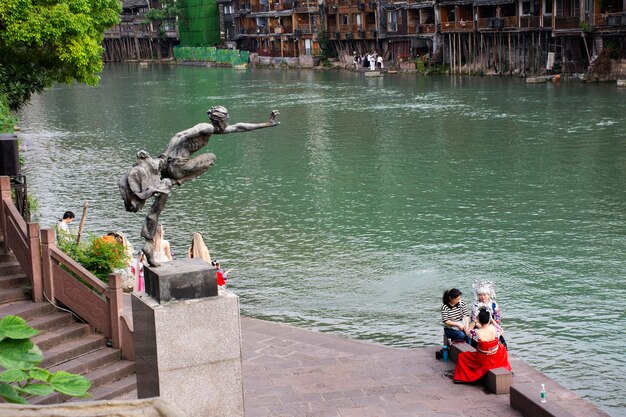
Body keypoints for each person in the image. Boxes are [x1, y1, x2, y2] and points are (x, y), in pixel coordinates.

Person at [119, 107, 279, 267]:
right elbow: (179, 135)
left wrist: (265, 124)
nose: (228, 122)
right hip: (176, 166)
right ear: (220, 119)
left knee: (158, 207)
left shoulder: (214, 129)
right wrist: (164, 155)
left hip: (170, 167)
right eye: (226, 119)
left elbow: (239, 127)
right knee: (211, 158)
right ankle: (175, 181)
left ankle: (148, 243)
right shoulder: (206, 127)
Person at [453, 308, 511, 383]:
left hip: (482, 360)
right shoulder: (494, 329)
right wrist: (492, 321)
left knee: (462, 356)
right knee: (502, 348)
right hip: (495, 358)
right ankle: (508, 369)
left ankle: (462, 378)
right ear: (489, 319)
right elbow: (501, 330)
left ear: (479, 320)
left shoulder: (476, 332)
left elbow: (467, 332)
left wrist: (474, 322)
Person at [470, 281, 507, 349]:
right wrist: (480, 325)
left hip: (492, 326)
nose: (482, 297)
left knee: (502, 344)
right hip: (479, 326)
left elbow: (497, 317)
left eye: (484, 295)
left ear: (489, 295)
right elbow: (473, 319)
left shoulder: (494, 304)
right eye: (480, 295)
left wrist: (492, 325)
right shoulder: (475, 305)